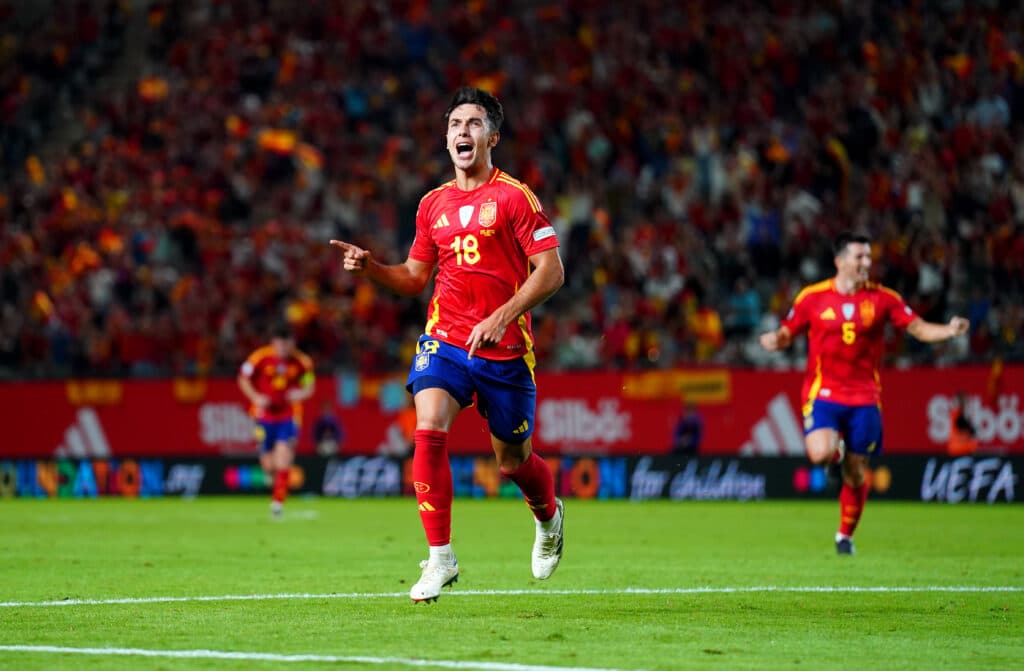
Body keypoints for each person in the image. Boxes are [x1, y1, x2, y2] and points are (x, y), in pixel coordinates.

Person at [330, 87, 565, 603]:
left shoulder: (514, 197)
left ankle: (548, 517)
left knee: (512, 462)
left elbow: (552, 271)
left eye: (474, 123)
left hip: (504, 351)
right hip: (447, 340)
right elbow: (416, 277)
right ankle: (440, 558)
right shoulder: (431, 204)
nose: (462, 130)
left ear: (492, 138)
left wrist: (504, 315)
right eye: (455, 123)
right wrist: (371, 268)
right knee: (428, 425)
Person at [760, 231, 969, 555]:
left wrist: (949, 331)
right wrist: (775, 340)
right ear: (840, 261)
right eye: (859, 257)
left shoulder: (883, 298)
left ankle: (845, 536)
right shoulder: (812, 297)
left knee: (856, 473)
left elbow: (917, 328)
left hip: (865, 397)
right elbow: (788, 332)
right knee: (819, 453)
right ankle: (836, 452)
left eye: (869, 257)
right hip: (823, 392)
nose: (866, 263)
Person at [237, 323, 315, 518]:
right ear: (273, 343)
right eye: (280, 345)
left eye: (286, 344)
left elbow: (309, 386)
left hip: (288, 417)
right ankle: (277, 490)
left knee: (283, 459)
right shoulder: (259, 358)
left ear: (292, 343)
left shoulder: (301, 362)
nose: (283, 349)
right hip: (263, 417)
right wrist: (255, 397)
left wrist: (300, 393)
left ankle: (277, 505)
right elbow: (243, 379)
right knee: (268, 465)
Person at [946, 391, 978, 457]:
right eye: (963, 401)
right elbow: (968, 429)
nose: (965, 403)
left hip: (964, 449)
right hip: (959, 450)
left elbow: (972, 431)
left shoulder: (961, 414)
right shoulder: (957, 415)